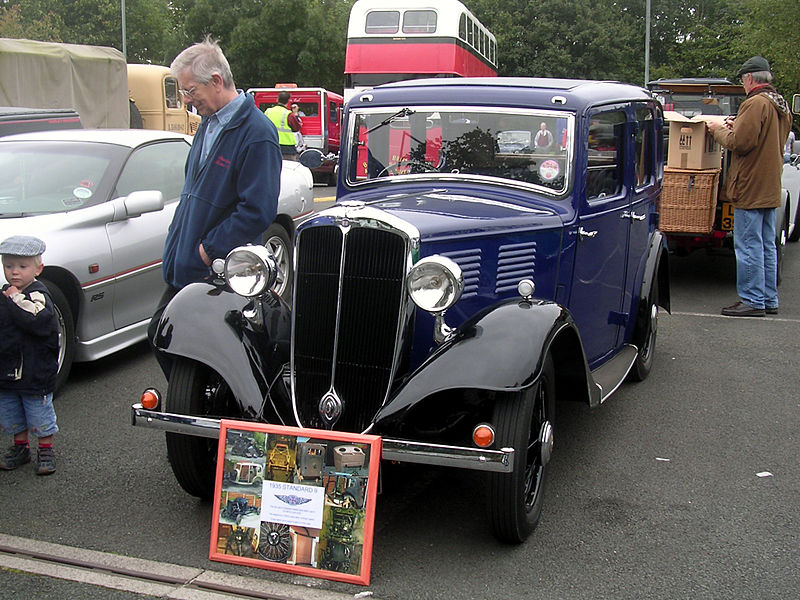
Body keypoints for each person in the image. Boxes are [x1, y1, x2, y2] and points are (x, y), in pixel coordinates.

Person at [148, 36, 282, 374]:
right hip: (185, 266)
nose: (189, 102)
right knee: (168, 339)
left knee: (190, 347)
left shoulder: (257, 132)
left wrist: (208, 250)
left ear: (217, 81)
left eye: (191, 91)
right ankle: (198, 407)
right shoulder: (209, 124)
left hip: (216, 271)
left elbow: (257, 210)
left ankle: (205, 413)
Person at [706, 56, 792, 317]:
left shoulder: (754, 103)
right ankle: (767, 298)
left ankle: (752, 299)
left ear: (750, 79)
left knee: (747, 244)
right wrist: (737, 125)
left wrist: (717, 129)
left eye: (743, 80)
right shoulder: (780, 104)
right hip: (769, 184)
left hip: (750, 185)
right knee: (767, 244)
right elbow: (762, 137)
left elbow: (741, 143)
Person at [0, 235, 59, 475]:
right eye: (9, 266)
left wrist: (15, 297)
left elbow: (35, 320)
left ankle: (45, 449)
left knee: (38, 411)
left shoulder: (38, 295)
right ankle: (20, 446)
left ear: (38, 269)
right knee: (11, 411)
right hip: (7, 368)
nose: (15, 272)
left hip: (35, 369)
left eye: (22, 267)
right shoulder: (5, 294)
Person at [265, 91, 302, 159]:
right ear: (289, 101)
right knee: (288, 167)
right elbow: (296, 128)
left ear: (277, 99)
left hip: (270, 144)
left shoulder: (268, 111)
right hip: (287, 148)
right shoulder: (289, 114)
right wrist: (296, 113)